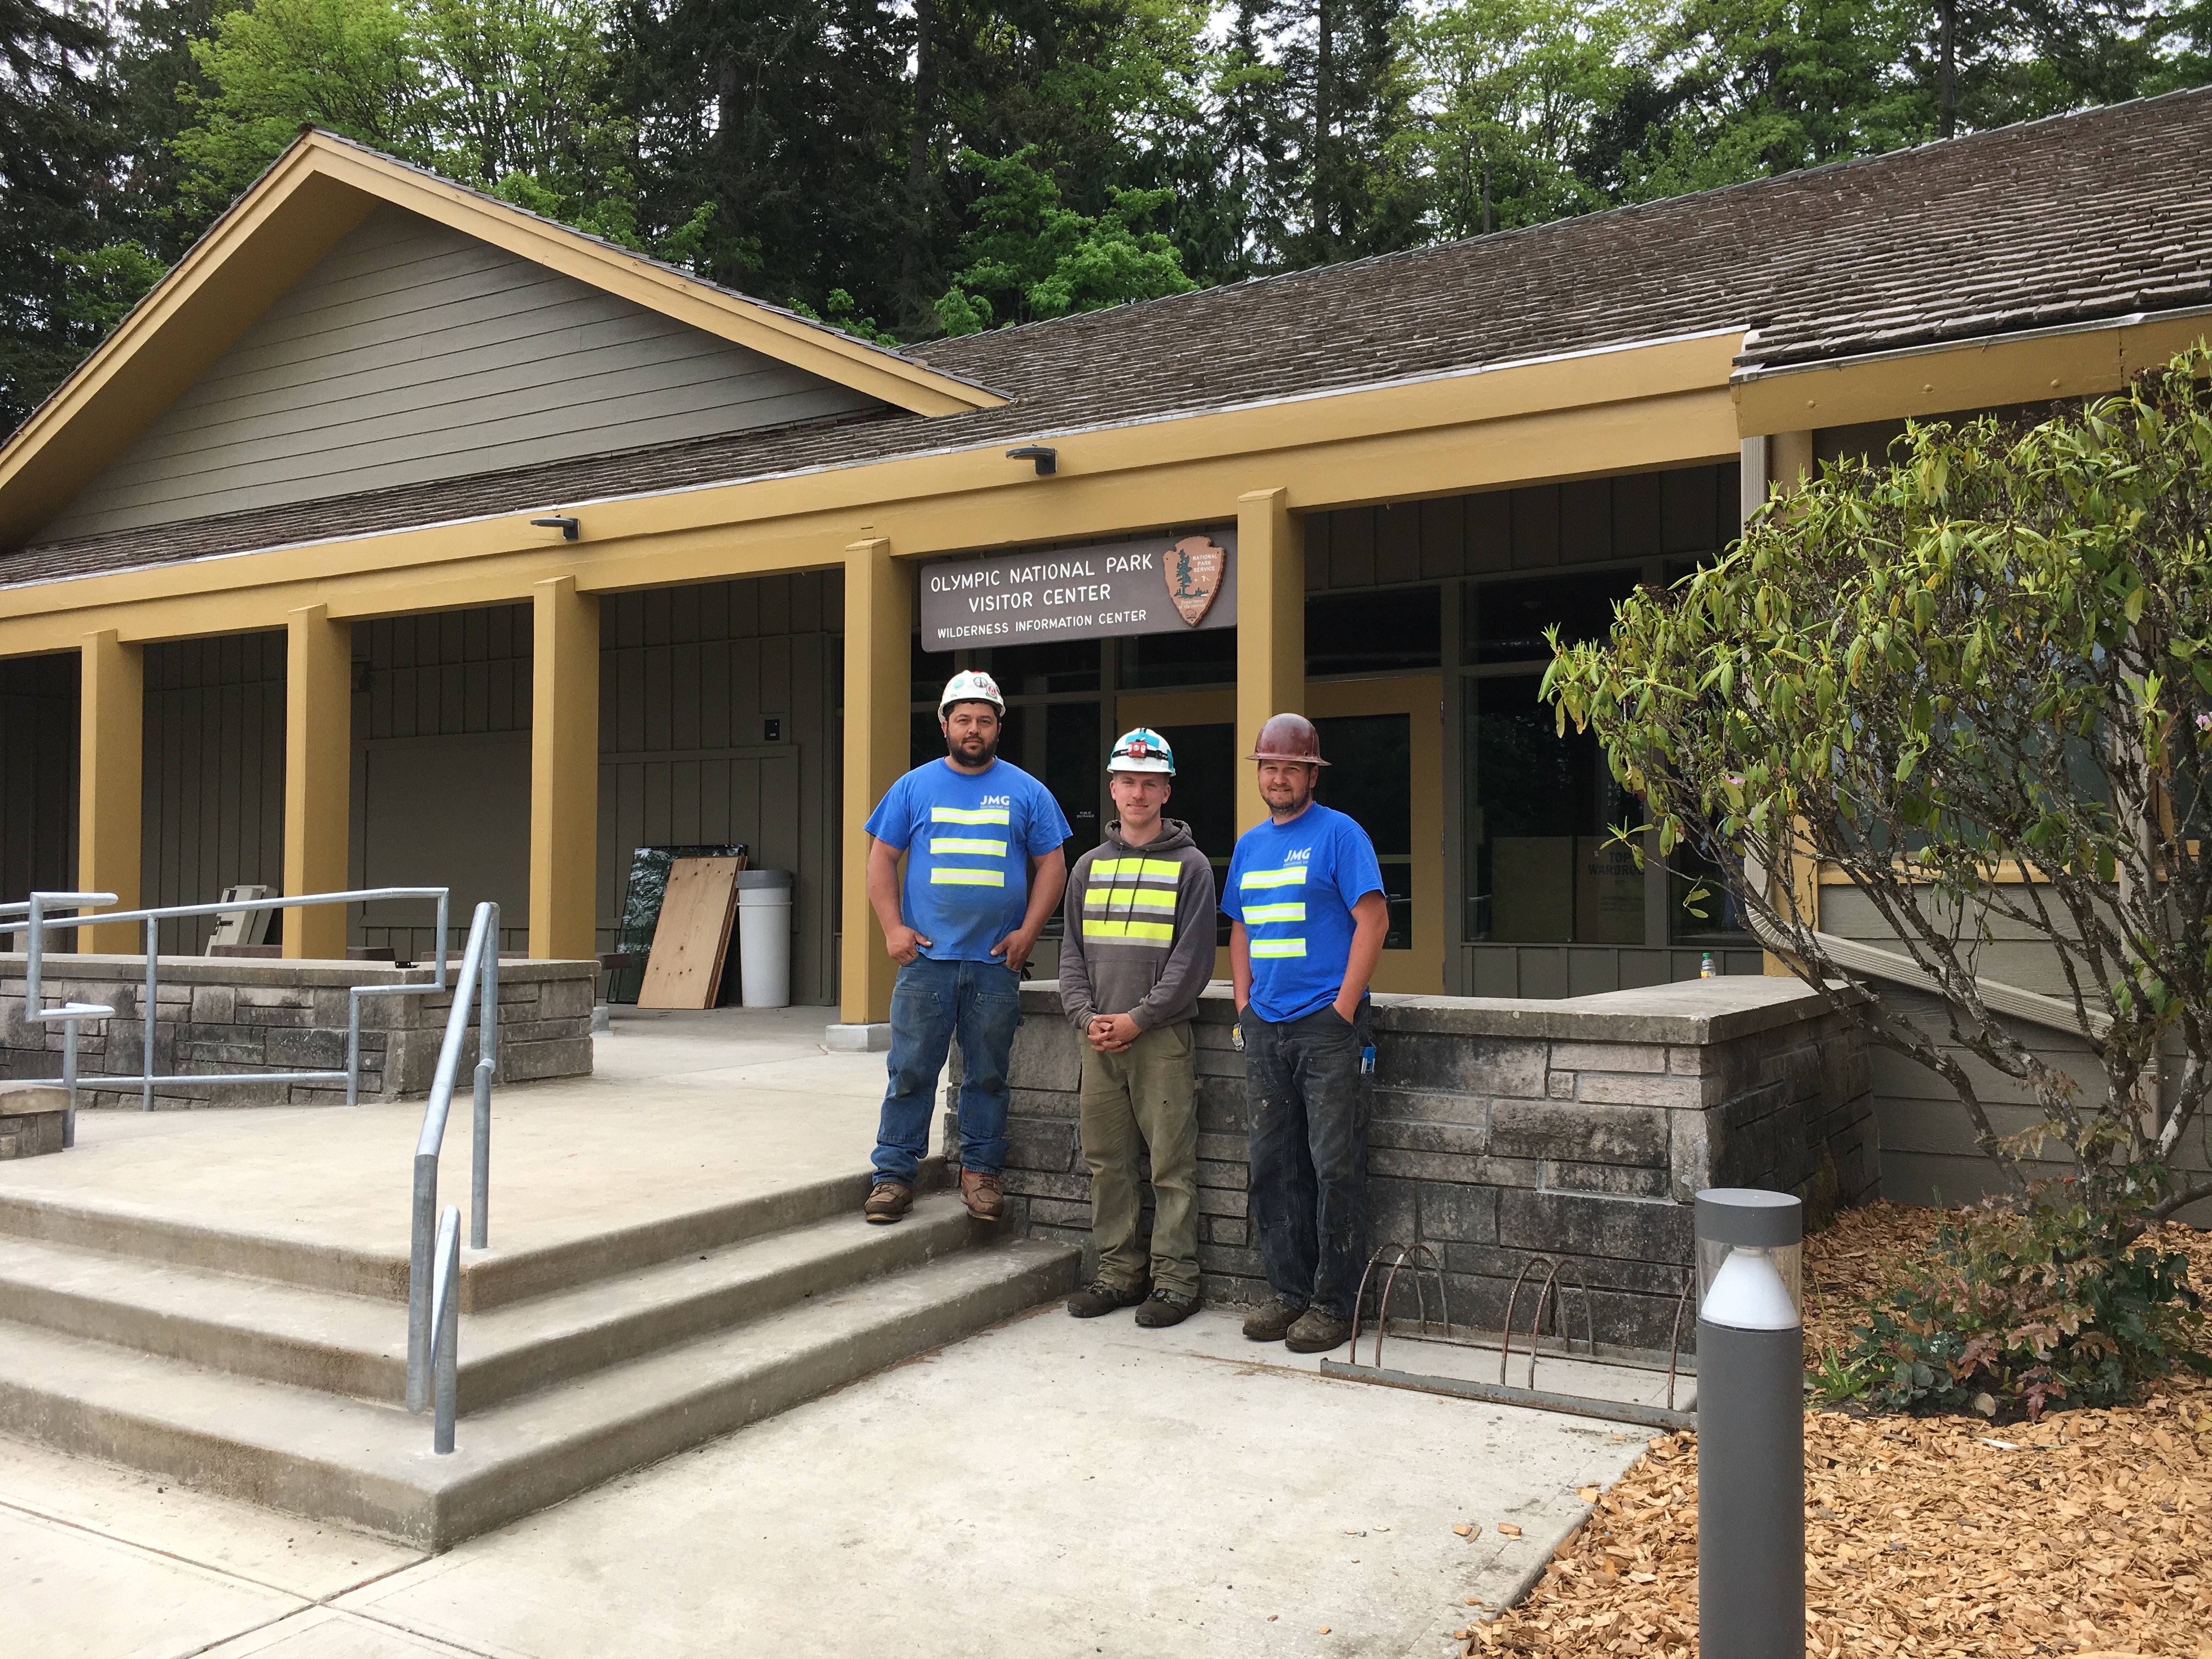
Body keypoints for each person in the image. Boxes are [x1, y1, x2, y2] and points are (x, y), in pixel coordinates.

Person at [861, 670, 1070, 1224]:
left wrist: (1029, 932)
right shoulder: (913, 787)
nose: (973, 729)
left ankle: (981, 1175)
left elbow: (1053, 865)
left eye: (984, 719)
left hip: (996, 964)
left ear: (999, 725)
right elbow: (881, 859)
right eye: (963, 719)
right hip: (925, 961)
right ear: (945, 724)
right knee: (910, 1071)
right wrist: (892, 928)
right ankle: (893, 1176)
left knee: (987, 1075)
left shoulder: (1028, 791)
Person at [1220, 713, 1389, 1353]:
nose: (1279, 777)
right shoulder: (1250, 845)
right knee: (1273, 1166)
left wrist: (1342, 1010)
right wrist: (1245, 1007)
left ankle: (1334, 1303)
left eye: (1292, 767)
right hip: (1267, 1027)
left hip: (1328, 1029)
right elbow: (1239, 929)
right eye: (1270, 767)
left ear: (1312, 773)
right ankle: (1288, 1293)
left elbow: (1372, 921)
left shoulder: (1341, 834)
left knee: (1335, 1166)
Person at [1057, 729, 1218, 1328]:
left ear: (1167, 790)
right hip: (1096, 1037)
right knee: (1108, 1162)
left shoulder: (1194, 868)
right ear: (1113, 788)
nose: (1139, 793)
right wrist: (1085, 1016)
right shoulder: (1087, 867)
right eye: (1128, 781)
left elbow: (1193, 961)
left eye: (1151, 783)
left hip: (1161, 1040)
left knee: (1171, 1166)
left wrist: (1138, 1018)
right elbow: (1069, 951)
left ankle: (1176, 1283)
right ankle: (1118, 1275)